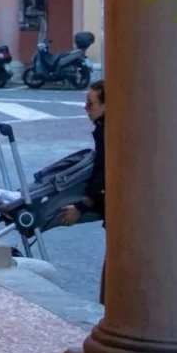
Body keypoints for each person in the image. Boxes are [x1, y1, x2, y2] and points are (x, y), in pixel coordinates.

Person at [59, 79, 106, 302]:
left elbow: (104, 174)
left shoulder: (108, 133)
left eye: (90, 103)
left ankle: (109, 311)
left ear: (106, 105)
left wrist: (81, 205)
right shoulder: (103, 129)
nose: (86, 108)